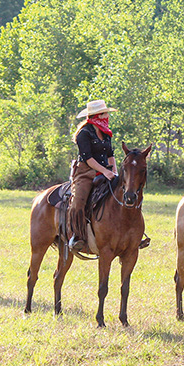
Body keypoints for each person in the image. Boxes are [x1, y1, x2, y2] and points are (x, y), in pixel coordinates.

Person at [68, 99, 118, 252]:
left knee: (126, 195)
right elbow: (88, 158)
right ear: (98, 115)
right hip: (86, 173)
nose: (107, 116)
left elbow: (110, 155)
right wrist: (105, 171)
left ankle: (129, 234)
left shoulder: (106, 132)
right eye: (105, 113)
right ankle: (77, 236)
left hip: (106, 171)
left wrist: (115, 172)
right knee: (78, 202)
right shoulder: (84, 134)